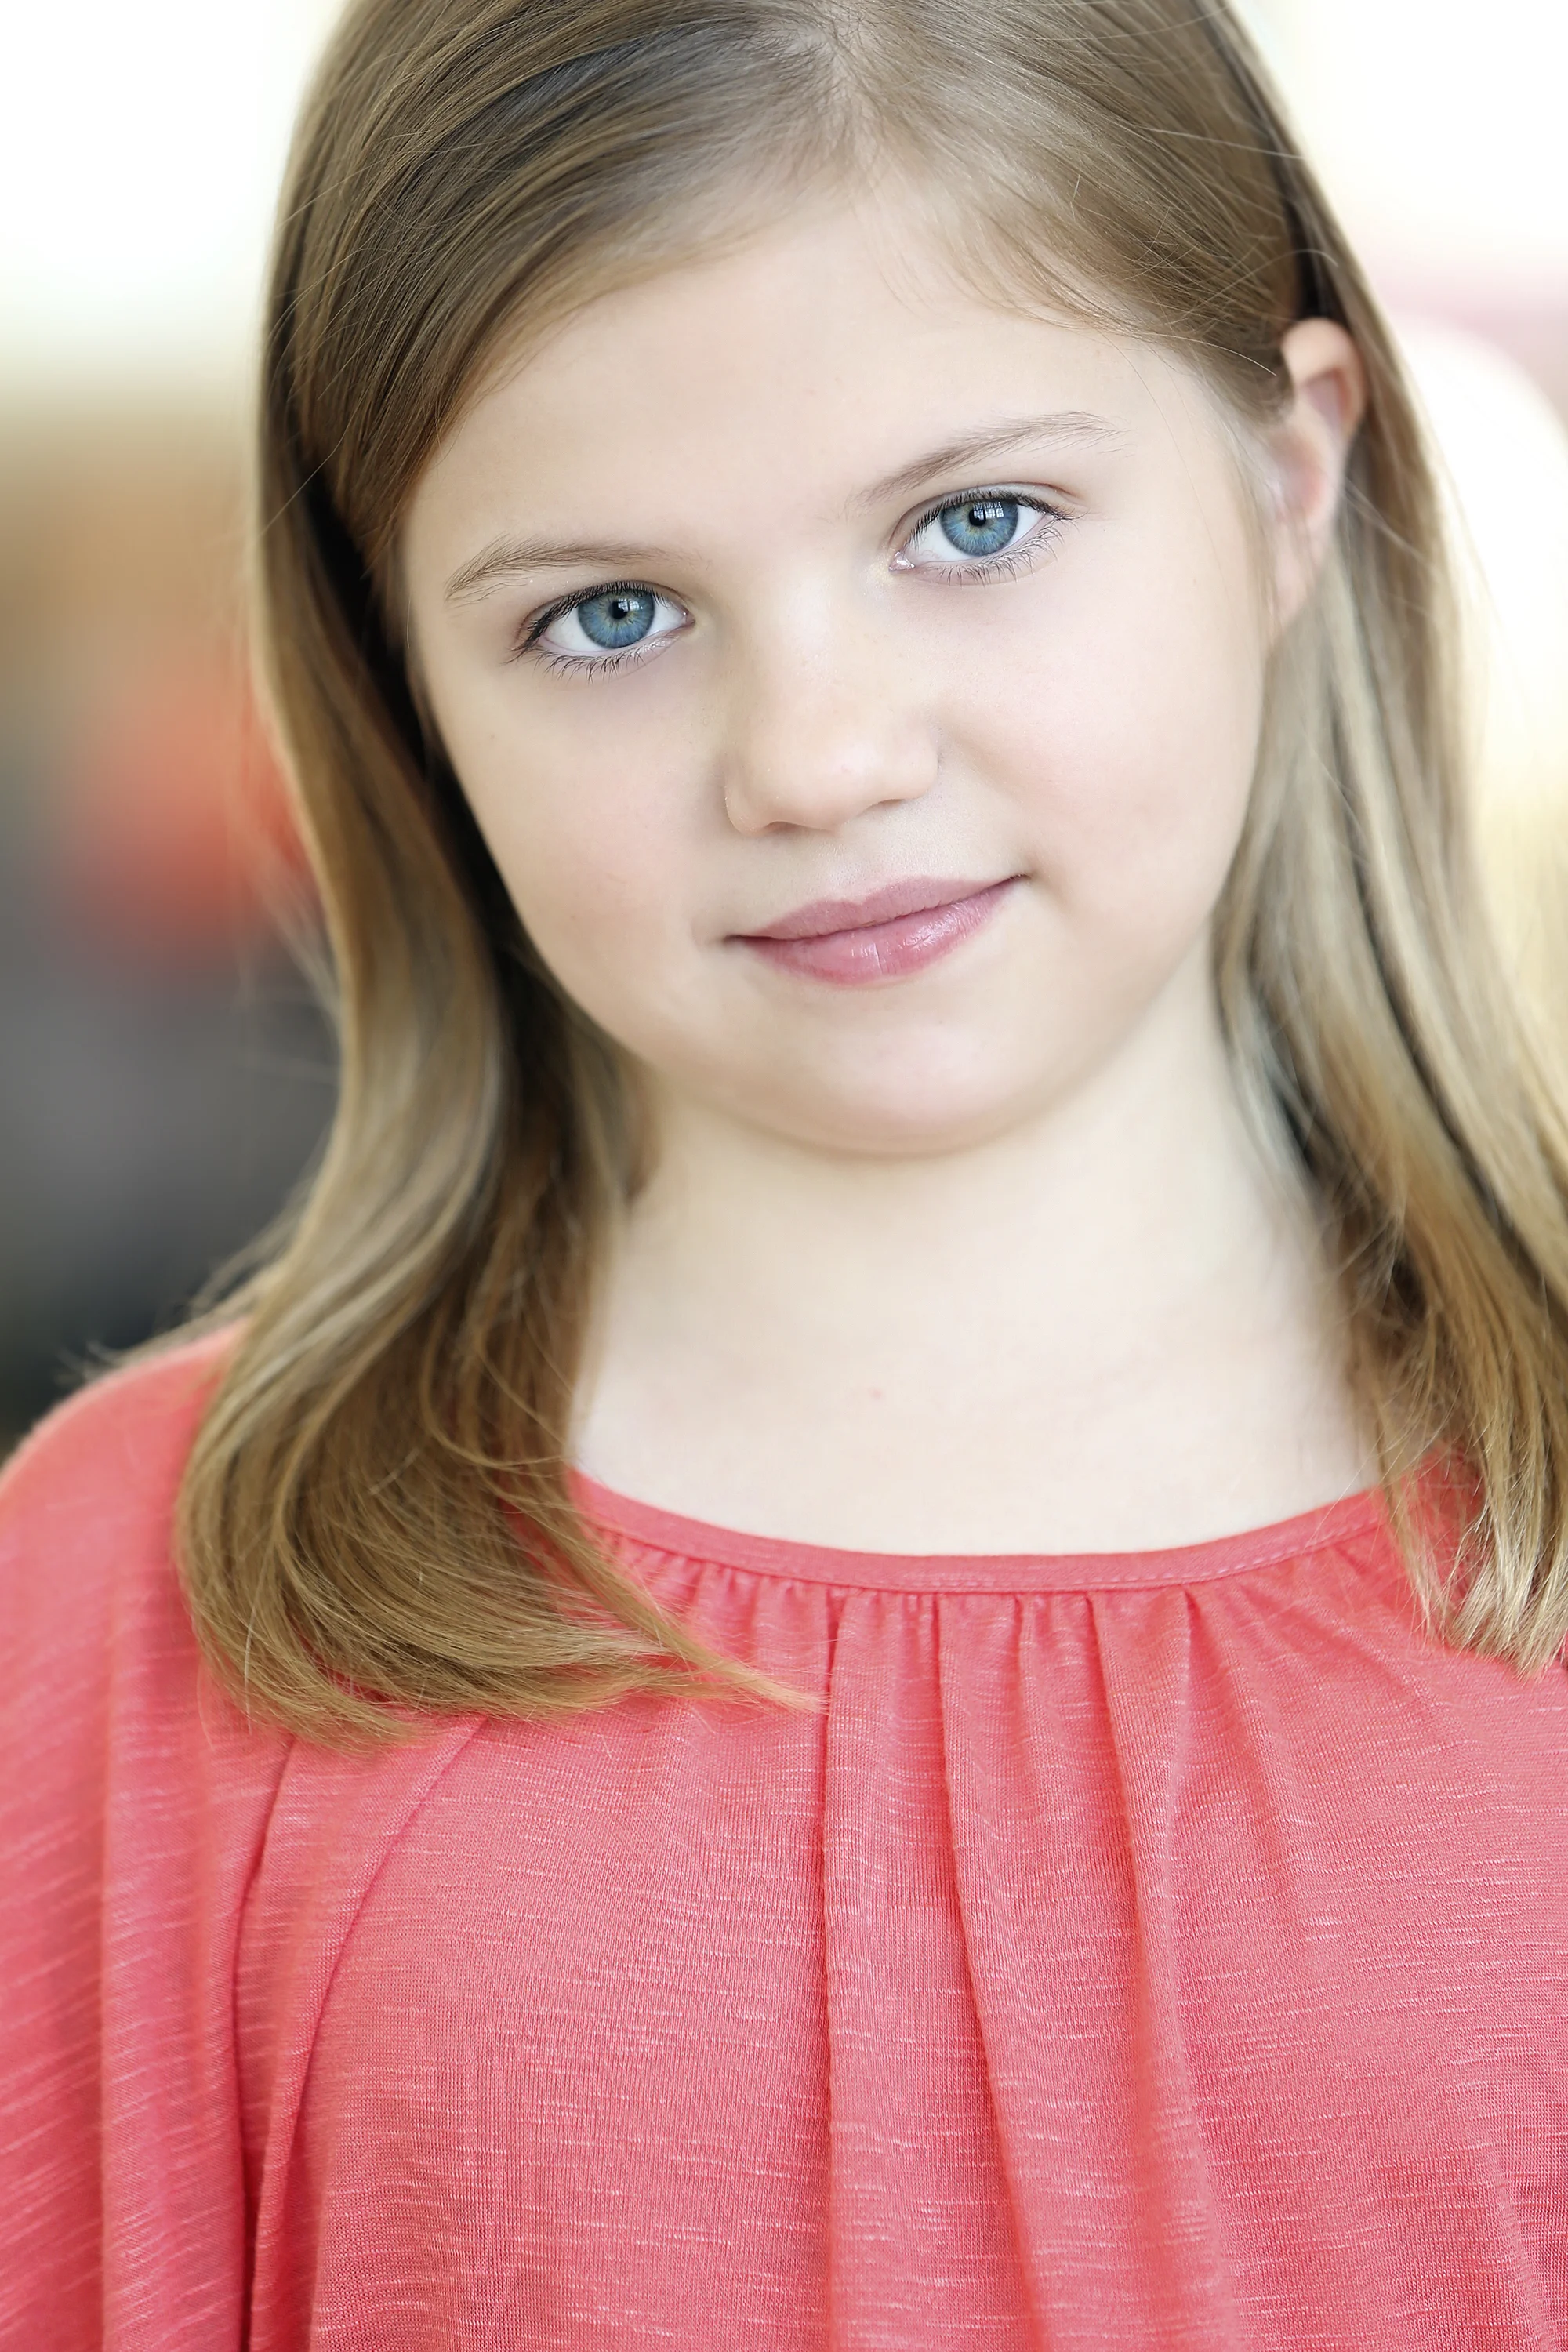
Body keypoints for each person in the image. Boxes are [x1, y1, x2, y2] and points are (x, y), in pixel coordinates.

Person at [5, 1, 1568, 2343]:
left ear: (1289, 476)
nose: (818, 758)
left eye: (975, 522)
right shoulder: (139, 1599)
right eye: (607, 615)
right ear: (402, 676)